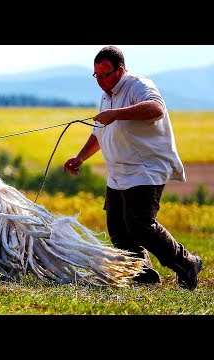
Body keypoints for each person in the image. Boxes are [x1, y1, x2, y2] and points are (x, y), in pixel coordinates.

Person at [62, 45, 202, 290]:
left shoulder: (138, 85)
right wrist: (80, 157)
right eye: (97, 75)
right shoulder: (107, 94)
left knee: (139, 224)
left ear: (121, 70)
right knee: (117, 229)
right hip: (118, 172)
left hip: (145, 168)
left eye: (106, 74)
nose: (101, 81)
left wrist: (115, 114)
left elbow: (156, 108)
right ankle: (141, 273)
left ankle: (186, 263)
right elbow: (100, 133)